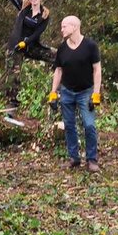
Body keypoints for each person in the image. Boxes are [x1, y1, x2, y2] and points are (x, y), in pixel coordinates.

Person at [48, 15, 102, 172]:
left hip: (85, 92)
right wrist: (53, 93)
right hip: (67, 92)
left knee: (89, 125)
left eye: (64, 26)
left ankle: (92, 160)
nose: (61, 29)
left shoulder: (90, 46)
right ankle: (74, 158)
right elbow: (58, 70)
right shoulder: (62, 48)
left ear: (74, 27)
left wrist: (96, 93)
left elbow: (97, 69)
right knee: (69, 125)